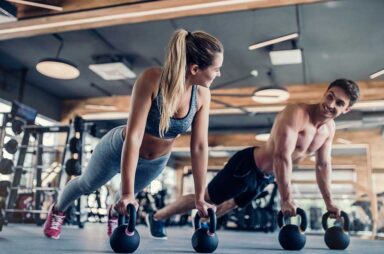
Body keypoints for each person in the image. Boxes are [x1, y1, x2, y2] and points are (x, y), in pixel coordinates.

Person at [43, 29, 224, 240]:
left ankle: (114, 211)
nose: (219, 74)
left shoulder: (202, 95)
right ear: (195, 68)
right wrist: (128, 193)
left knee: (124, 198)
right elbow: (134, 137)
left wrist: (200, 197)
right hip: (118, 147)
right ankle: (58, 210)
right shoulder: (152, 79)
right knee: (87, 184)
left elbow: (199, 147)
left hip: (155, 162)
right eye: (216, 69)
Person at [146, 79, 360, 238]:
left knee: (232, 205)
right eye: (330, 95)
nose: (331, 104)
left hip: (265, 177)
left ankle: (202, 222)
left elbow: (323, 165)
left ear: (347, 109)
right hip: (248, 165)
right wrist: (287, 198)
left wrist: (330, 203)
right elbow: (281, 156)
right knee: (206, 199)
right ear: (325, 92)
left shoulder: (328, 130)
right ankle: (157, 216)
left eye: (339, 103)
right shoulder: (296, 113)